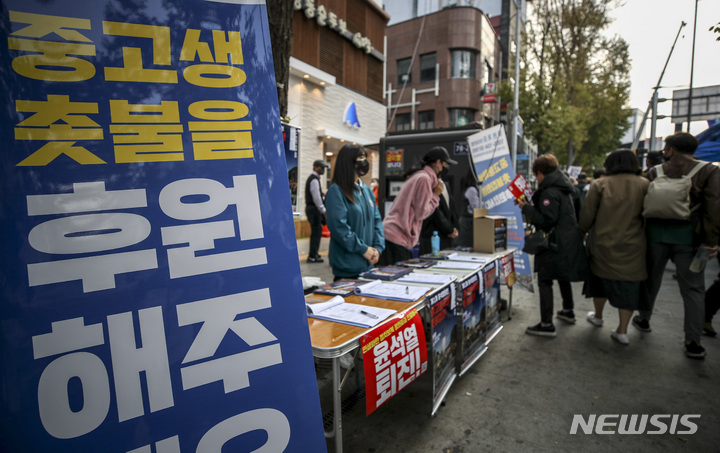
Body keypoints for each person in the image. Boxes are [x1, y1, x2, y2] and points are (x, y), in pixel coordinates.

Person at [634, 132, 720, 359]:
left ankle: (643, 318)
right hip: (690, 240)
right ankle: (693, 340)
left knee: (651, 278)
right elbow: (714, 208)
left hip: (654, 236)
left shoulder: (654, 172)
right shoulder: (709, 171)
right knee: (693, 289)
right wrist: (711, 241)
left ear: (671, 150)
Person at [579, 150, 649, 345]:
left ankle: (598, 316)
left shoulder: (600, 185)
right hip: (634, 246)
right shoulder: (645, 185)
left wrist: (582, 232)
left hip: (603, 244)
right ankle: (622, 330)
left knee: (599, 282)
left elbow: (587, 216)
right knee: (629, 287)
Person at [517, 153, 588, 337]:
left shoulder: (549, 192)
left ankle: (546, 323)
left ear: (541, 173)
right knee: (562, 275)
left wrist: (526, 208)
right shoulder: (565, 187)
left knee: (545, 280)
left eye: (536, 175)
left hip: (553, 243)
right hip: (566, 241)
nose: (536, 178)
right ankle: (568, 310)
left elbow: (547, 220)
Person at [380, 146, 457, 264]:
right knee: (399, 278)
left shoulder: (420, 176)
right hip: (397, 235)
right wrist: (435, 195)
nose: (445, 168)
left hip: (395, 235)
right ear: (437, 163)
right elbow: (421, 212)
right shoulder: (424, 178)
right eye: (445, 164)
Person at [324, 145, 385, 280]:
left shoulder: (367, 191)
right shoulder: (336, 192)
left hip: (369, 265)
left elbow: (377, 221)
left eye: (365, 157)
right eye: (361, 157)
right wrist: (363, 249)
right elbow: (339, 228)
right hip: (347, 269)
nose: (364, 161)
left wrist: (377, 249)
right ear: (349, 162)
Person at [419, 173, 458, 255]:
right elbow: (435, 212)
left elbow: (452, 209)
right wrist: (449, 230)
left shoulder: (445, 185)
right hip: (431, 236)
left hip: (447, 238)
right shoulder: (427, 186)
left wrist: (454, 228)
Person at [305, 159, 330, 263]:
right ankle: (312, 256)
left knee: (316, 232)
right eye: (321, 167)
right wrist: (323, 210)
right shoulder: (314, 179)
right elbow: (316, 198)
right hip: (314, 209)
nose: (323, 169)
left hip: (312, 208)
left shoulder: (314, 179)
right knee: (316, 232)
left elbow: (316, 194)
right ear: (315, 167)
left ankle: (314, 253)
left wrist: (321, 193)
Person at [457, 169, 482, 248]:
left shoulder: (473, 189)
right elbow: (477, 206)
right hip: (467, 222)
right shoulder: (472, 189)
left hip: (469, 221)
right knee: (467, 244)